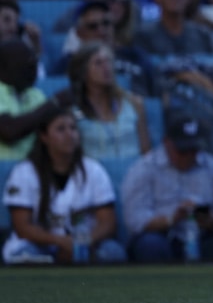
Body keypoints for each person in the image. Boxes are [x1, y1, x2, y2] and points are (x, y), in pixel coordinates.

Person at [2, 106, 127, 265]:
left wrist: (82, 243)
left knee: (113, 252)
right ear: (44, 136)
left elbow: (108, 222)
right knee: (26, 255)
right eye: (61, 129)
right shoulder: (24, 172)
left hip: (85, 244)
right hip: (39, 245)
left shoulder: (94, 170)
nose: (70, 135)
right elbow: (22, 226)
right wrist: (60, 242)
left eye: (73, 128)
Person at [120, 110, 213, 263]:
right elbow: (134, 220)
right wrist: (171, 219)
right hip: (163, 237)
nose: (188, 156)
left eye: (193, 150)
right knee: (150, 244)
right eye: (182, 151)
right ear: (166, 142)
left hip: (204, 236)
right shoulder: (144, 168)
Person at [68, 42, 151, 160]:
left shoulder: (135, 103)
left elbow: (146, 154)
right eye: (98, 63)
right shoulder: (75, 112)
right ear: (83, 72)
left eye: (109, 61)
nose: (106, 67)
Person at [1, 38, 73, 161]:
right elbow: (8, 131)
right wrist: (54, 103)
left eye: (35, 64)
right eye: (27, 65)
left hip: (32, 171)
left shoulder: (36, 95)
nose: (33, 71)